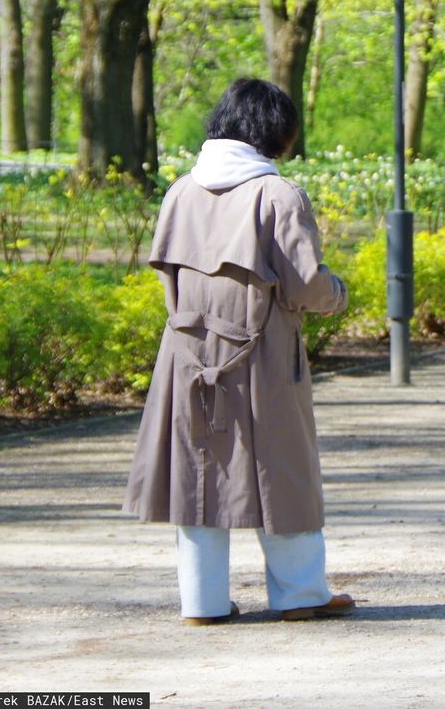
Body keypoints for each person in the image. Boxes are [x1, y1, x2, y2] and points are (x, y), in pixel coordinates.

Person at [123, 79, 354, 625]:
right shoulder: (277, 194)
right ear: (276, 132)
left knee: (198, 468)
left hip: (187, 354)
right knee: (283, 468)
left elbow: (168, 278)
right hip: (263, 353)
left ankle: (201, 603)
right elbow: (305, 288)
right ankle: (300, 594)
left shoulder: (182, 190)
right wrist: (339, 291)